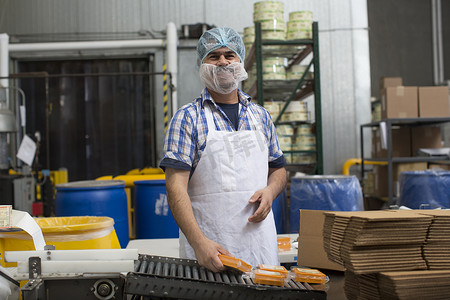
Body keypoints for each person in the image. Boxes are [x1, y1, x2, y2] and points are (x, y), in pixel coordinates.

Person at [160, 27, 287, 273]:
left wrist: (271, 191)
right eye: (214, 56)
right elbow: (175, 187)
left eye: (230, 55)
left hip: (261, 248)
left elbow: (279, 170)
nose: (223, 62)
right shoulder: (187, 118)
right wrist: (199, 244)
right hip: (210, 252)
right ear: (202, 64)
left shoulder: (260, 116)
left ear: (240, 60)